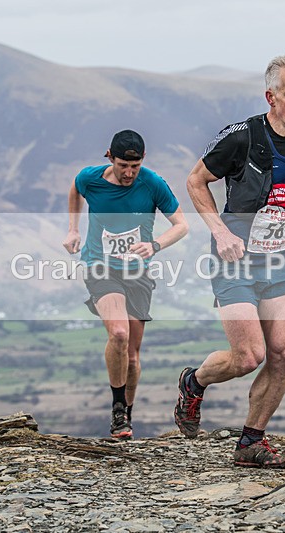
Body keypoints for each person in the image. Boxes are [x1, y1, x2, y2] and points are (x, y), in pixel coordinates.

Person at [176, 55, 285, 467]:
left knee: (283, 353)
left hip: (284, 261)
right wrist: (220, 231)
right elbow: (196, 180)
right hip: (235, 261)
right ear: (271, 96)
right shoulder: (242, 138)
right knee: (247, 357)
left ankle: (251, 442)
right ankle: (194, 383)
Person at [63, 129, 188, 440]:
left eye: (135, 166)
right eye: (123, 166)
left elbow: (182, 225)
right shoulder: (90, 178)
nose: (130, 173)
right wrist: (73, 230)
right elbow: (75, 191)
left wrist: (155, 245)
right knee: (118, 333)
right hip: (99, 265)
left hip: (137, 272)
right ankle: (117, 409)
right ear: (111, 157)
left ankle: (126, 415)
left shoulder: (153, 183)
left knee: (132, 353)